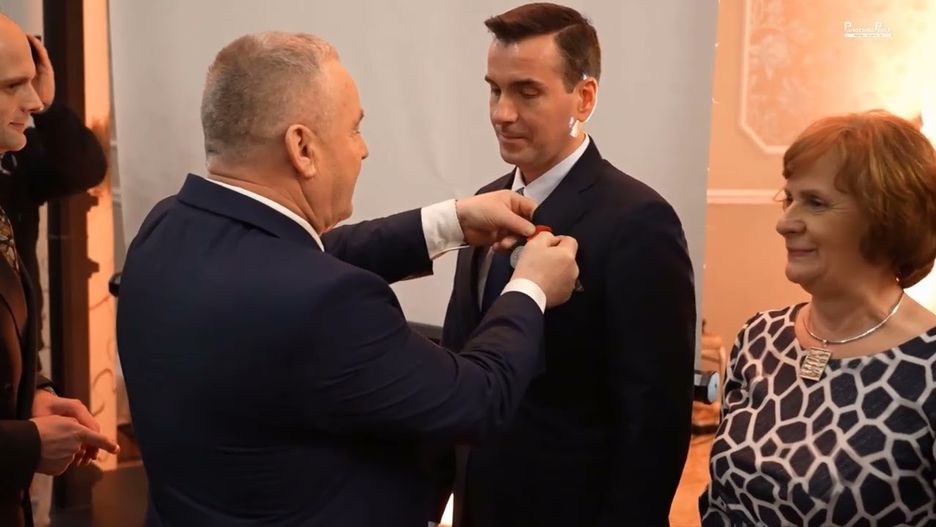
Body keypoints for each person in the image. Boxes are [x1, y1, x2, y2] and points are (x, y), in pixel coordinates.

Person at [115, 31, 580, 527]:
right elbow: (478, 398)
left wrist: (450, 222)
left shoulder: (166, 228)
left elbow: (296, 259)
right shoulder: (327, 303)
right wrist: (530, 287)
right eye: (354, 129)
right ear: (302, 148)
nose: (363, 150)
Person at [438, 4, 697, 526]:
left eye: (526, 92)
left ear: (585, 97)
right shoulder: (485, 203)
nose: (502, 113)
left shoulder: (639, 220)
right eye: (495, 90)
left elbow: (654, 420)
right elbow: (462, 362)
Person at [701, 110, 936, 526]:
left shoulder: (927, 367)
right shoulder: (761, 337)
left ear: (885, 216)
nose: (785, 222)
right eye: (789, 199)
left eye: (815, 203)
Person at [0, 13, 118, 527]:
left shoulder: (13, 162)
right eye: (11, 86)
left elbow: (83, 168)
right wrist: (25, 444)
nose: (32, 101)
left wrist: (33, 393)